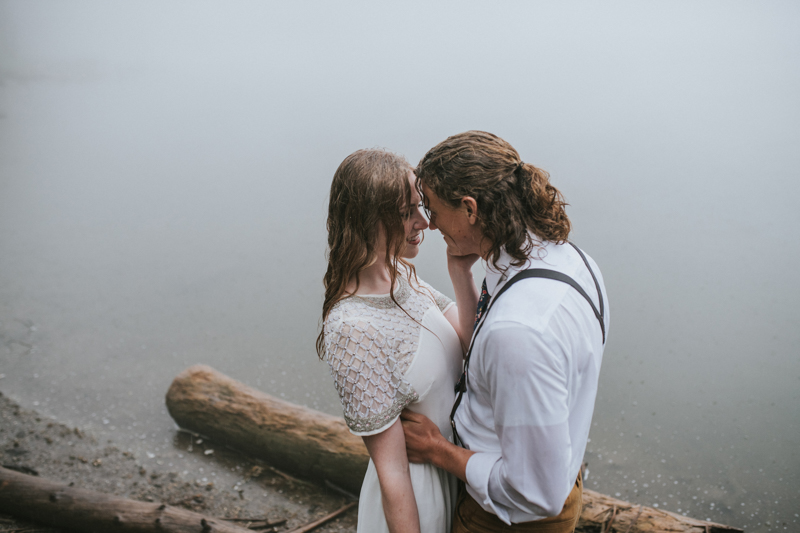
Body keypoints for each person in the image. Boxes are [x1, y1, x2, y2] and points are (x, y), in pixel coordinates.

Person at [401, 131, 609, 533]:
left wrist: (438, 451)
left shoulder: (518, 331)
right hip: (557, 471)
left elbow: (536, 493)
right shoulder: (571, 260)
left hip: (505, 519)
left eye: (432, 206)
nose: (427, 222)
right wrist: (461, 272)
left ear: (470, 208)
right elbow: (486, 350)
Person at [317, 148, 475, 533]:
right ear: (369, 220)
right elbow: (392, 473)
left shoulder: (403, 275)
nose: (425, 221)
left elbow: (470, 341)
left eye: (420, 206)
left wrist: (460, 269)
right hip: (417, 503)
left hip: (453, 471)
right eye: (407, 213)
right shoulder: (352, 329)